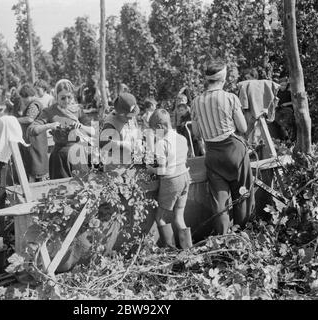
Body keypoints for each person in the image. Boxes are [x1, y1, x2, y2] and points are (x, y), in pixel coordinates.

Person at [191, 59, 254, 235]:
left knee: (219, 199)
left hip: (213, 155)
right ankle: (242, 234)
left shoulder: (196, 102)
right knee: (242, 194)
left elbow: (196, 133)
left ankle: (223, 238)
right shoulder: (230, 98)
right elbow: (242, 128)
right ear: (223, 78)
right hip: (234, 152)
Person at [28, 79, 94, 179]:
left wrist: (81, 126)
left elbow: (94, 131)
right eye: (63, 98)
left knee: (82, 189)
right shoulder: (49, 111)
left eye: (69, 97)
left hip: (78, 155)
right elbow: (31, 130)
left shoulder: (77, 110)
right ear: (56, 97)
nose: (66, 101)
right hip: (59, 158)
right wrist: (49, 126)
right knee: (60, 191)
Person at [146, 109, 192, 249]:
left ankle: (170, 250)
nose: (155, 133)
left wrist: (149, 168)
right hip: (185, 177)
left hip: (171, 180)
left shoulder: (162, 143)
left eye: (155, 130)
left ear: (160, 127)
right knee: (179, 217)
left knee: (160, 218)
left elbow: (161, 170)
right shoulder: (182, 138)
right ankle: (188, 251)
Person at [17, 83, 49, 182]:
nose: (22, 101)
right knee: (34, 168)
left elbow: (30, 119)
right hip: (35, 140)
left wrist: (14, 120)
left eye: (23, 98)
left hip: (36, 141)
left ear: (27, 96)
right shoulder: (34, 103)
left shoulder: (34, 104)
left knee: (36, 169)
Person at [100, 92, 140, 167]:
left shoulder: (131, 117)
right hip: (116, 166)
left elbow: (137, 132)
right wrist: (122, 145)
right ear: (120, 113)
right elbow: (103, 144)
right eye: (128, 116)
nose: (131, 118)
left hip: (131, 162)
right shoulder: (110, 123)